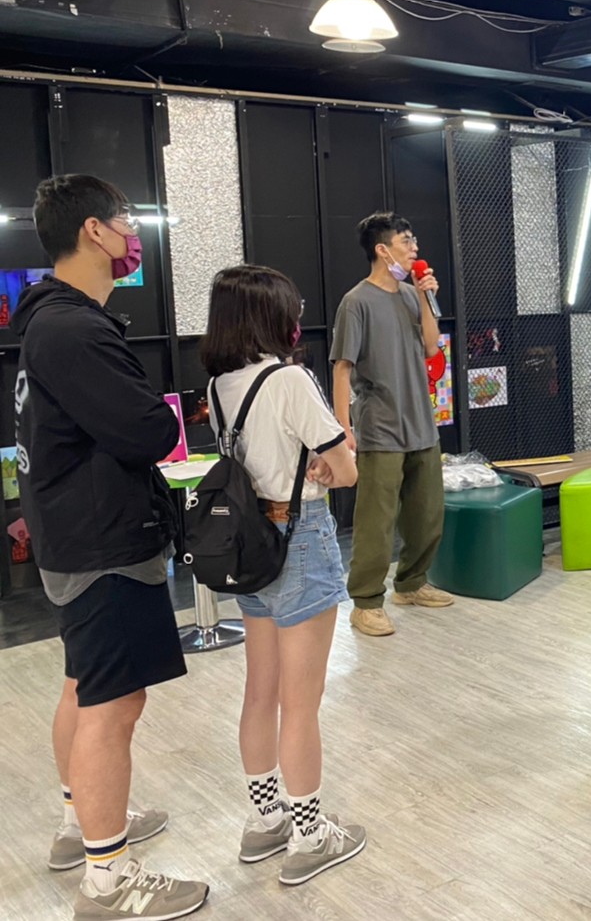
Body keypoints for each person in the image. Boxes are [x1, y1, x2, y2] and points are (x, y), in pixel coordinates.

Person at [14, 174, 209, 919]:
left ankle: (81, 825)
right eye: (126, 219)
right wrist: (164, 414)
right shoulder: (74, 330)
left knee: (82, 684)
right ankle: (108, 878)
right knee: (113, 703)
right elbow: (147, 429)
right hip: (100, 541)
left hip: (72, 535)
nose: (134, 233)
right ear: (93, 230)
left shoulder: (51, 322)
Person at [201, 266, 366, 886]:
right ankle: (309, 834)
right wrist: (327, 467)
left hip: (250, 547)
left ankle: (265, 819)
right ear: (271, 316)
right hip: (301, 538)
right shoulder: (290, 378)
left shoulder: (220, 385)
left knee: (261, 692)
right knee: (302, 704)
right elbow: (345, 469)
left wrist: (312, 465)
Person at [330, 212, 453, 637]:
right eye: (406, 241)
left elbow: (431, 346)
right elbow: (342, 368)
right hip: (380, 426)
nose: (415, 247)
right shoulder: (356, 302)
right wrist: (343, 427)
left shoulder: (409, 294)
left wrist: (425, 297)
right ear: (383, 250)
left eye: (414, 239)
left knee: (427, 514)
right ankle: (366, 602)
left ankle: (412, 583)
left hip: (421, 422)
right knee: (376, 522)